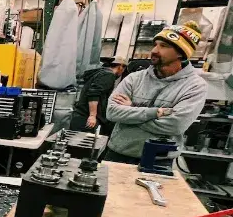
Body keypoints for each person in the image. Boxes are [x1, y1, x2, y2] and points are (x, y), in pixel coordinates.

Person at [105, 21, 207, 164]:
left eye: (163, 46)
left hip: (158, 160)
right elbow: (112, 112)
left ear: (181, 53)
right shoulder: (135, 78)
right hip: (118, 153)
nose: (154, 50)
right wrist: (155, 113)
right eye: (155, 44)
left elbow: (176, 125)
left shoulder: (194, 86)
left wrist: (132, 110)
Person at [70, 56, 128, 135]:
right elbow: (94, 93)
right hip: (87, 117)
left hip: (82, 116)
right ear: (120, 67)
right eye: (124, 68)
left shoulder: (101, 73)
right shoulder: (108, 75)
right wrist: (92, 116)